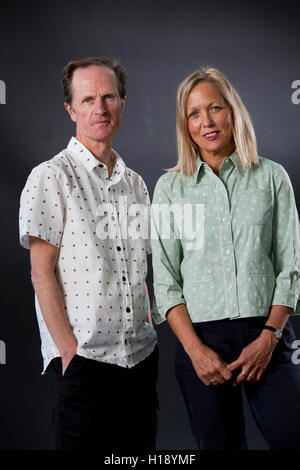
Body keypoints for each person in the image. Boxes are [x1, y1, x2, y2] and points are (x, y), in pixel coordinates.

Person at [151, 67, 300, 450]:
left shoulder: (272, 177)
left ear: (232, 111)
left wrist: (270, 337)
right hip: (200, 340)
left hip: (267, 333)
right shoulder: (170, 188)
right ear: (186, 125)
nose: (206, 121)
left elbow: (291, 266)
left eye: (215, 107)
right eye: (194, 113)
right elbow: (165, 279)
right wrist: (196, 351)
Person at [19, 56, 158, 452]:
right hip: (84, 363)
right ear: (71, 109)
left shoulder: (135, 184)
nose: (100, 108)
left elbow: (138, 268)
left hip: (140, 359)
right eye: (88, 99)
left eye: (109, 97)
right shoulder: (50, 177)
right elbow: (41, 274)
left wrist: (147, 324)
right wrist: (69, 352)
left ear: (122, 103)